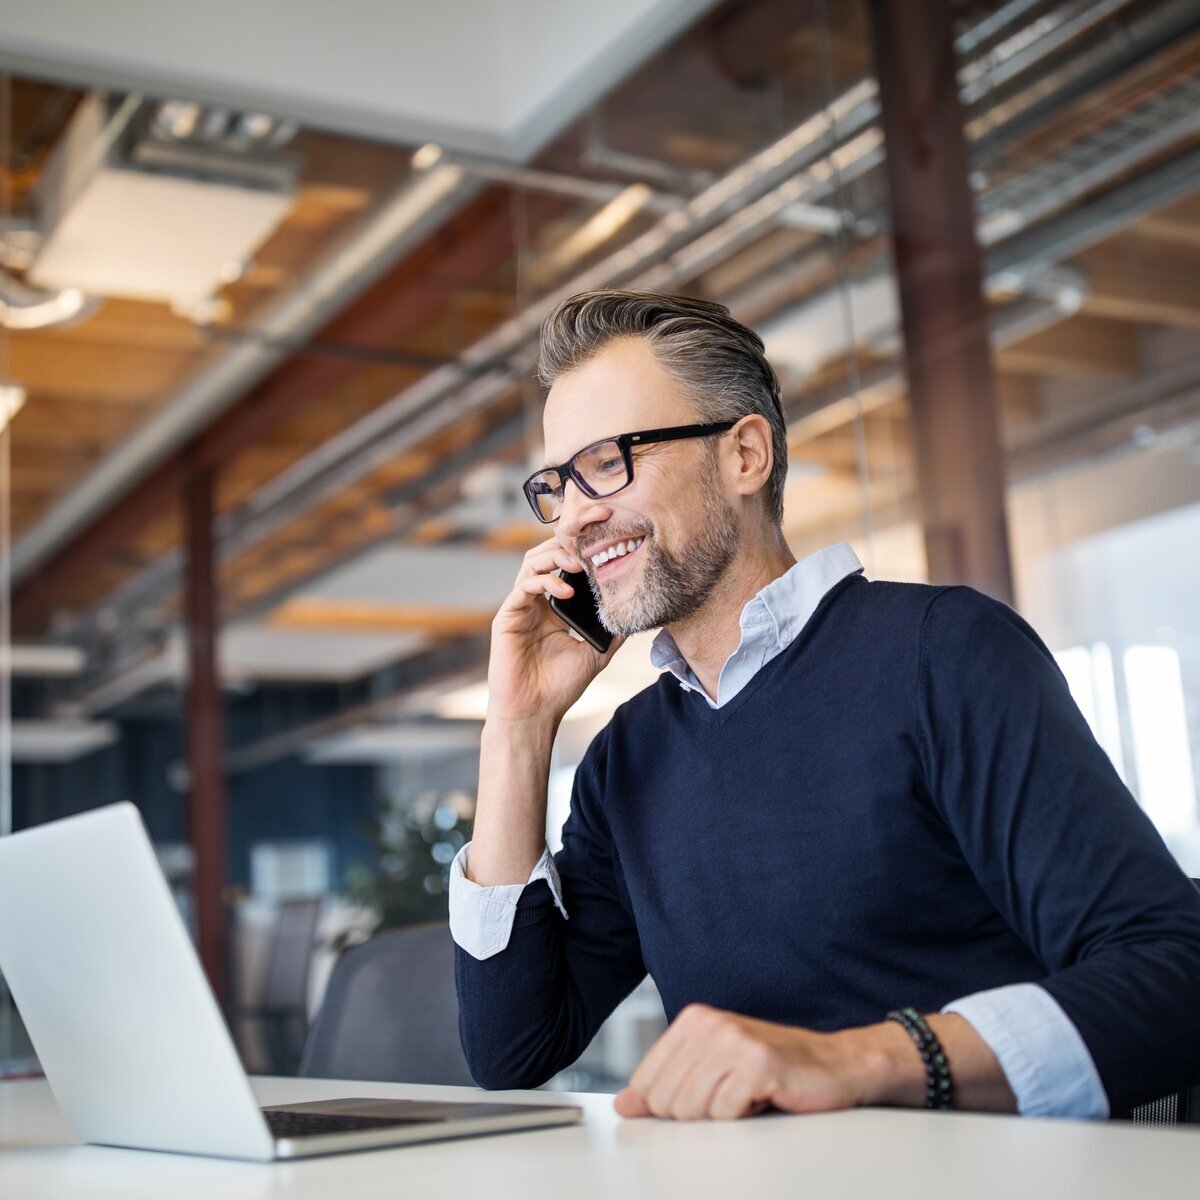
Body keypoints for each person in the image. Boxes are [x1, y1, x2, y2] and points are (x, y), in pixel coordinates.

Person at [448, 290, 1200, 1121]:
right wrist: (517, 728)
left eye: (609, 461)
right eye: (558, 484)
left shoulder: (942, 653)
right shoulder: (630, 756)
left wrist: (857, 1060)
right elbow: (511, 1049)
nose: (579, 516)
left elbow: (1175, 975)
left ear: (745, 456)